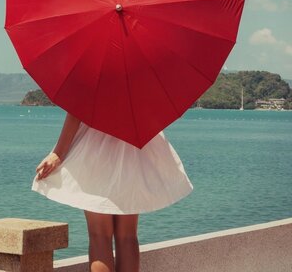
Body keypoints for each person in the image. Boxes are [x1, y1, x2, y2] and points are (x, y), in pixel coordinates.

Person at [33, 113, 193, 272]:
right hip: (133, 148)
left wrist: (59, 153)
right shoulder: (137, 86)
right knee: (128, 237)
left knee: (99, 236)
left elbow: (76, 110)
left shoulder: (93, 85)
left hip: (96, 148)